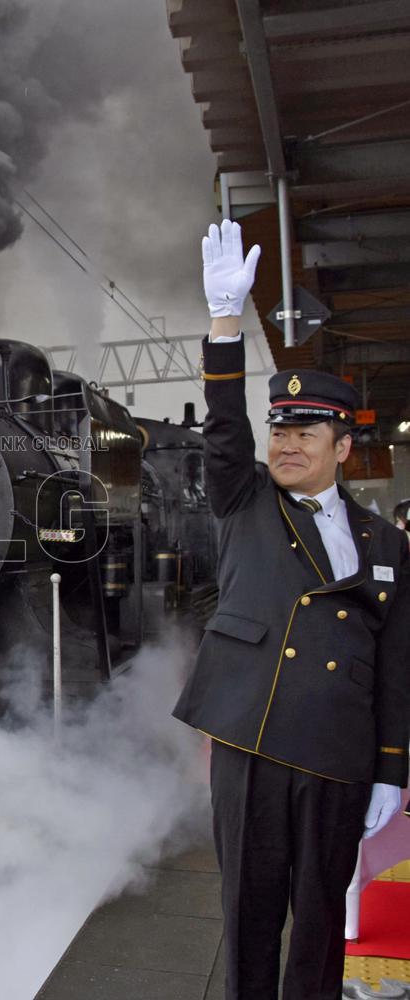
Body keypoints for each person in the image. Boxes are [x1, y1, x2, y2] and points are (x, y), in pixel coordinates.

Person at [173, 220, 410, 1000]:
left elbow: (395, 664)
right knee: (248, 917)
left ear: (344, 447)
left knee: (317, 927)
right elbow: (222, 429)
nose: (288, 445)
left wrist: (391, 772)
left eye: (306, 433)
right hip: (254, 745)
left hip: (340, 760)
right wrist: (224, 325)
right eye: (281, 430)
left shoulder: (382, 539)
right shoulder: (245, 501)